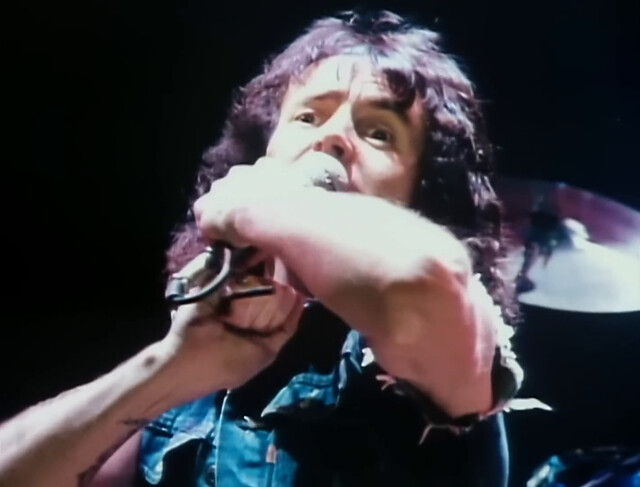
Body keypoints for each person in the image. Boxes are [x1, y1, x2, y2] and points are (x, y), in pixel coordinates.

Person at [0, 10, 525, 487]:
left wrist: (249, 211)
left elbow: (421, 284)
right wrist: (170, 368)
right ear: (263, 153)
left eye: (379, 133)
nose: (332, 138)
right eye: (307, 118)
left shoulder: (449, 352)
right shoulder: (192, 388)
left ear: (424, 196)